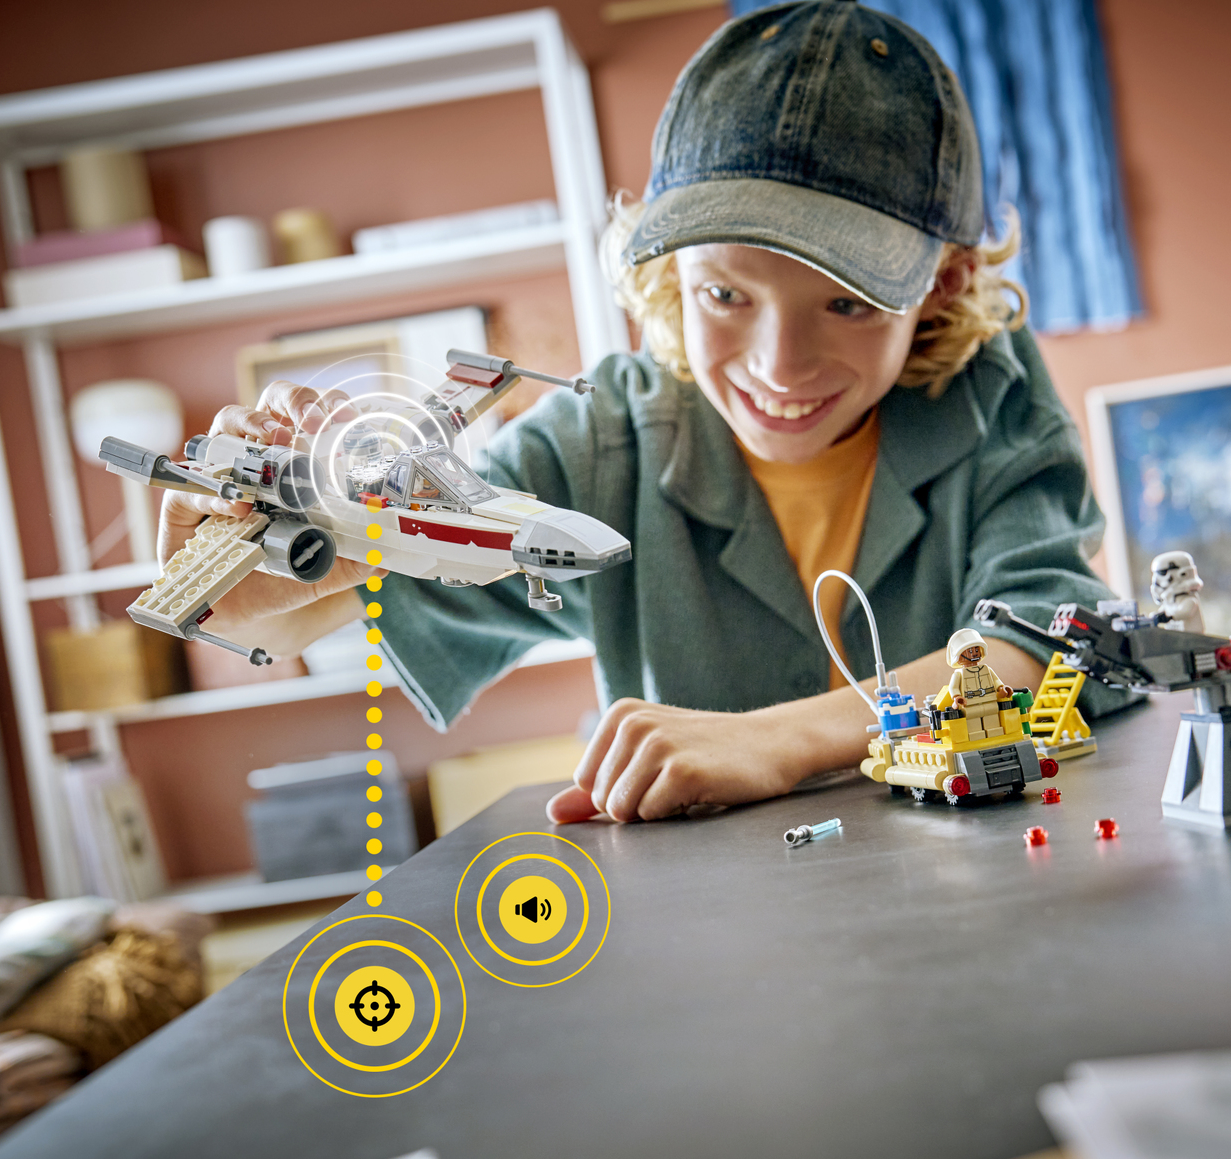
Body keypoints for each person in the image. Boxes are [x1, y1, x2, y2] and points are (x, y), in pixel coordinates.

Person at [163, 0, 1127, 824]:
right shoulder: (600, 444)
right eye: (724, 295)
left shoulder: (993, 396)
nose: (779, 366)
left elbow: (1049, 645)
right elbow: (302, 614)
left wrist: (776, 740)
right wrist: (240, 571)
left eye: (848, 303)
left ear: (942, 283)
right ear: (667, 273)